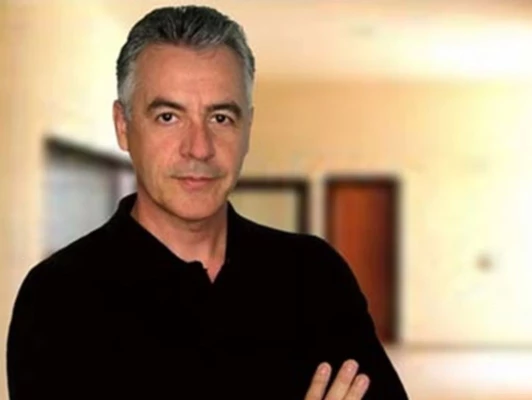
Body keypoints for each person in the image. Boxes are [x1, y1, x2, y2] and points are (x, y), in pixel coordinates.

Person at [6, 5, 409, 400]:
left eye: (220, 118)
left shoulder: (315, 275)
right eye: (168, 116)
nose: (199, 148)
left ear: (247, 129)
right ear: (123, 126)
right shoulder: (58, 299)